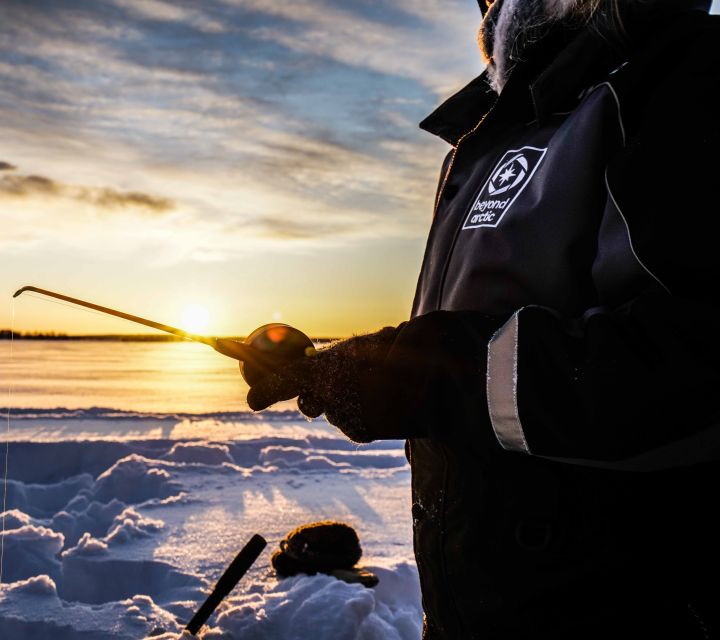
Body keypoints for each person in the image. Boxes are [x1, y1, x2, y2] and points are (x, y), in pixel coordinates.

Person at [246, 1, 720, 637]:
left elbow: (694, 361)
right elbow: (486, 326)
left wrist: (420, 374)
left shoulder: (689, 76)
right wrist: (348, 368)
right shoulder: (489, 135)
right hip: (473, 609)